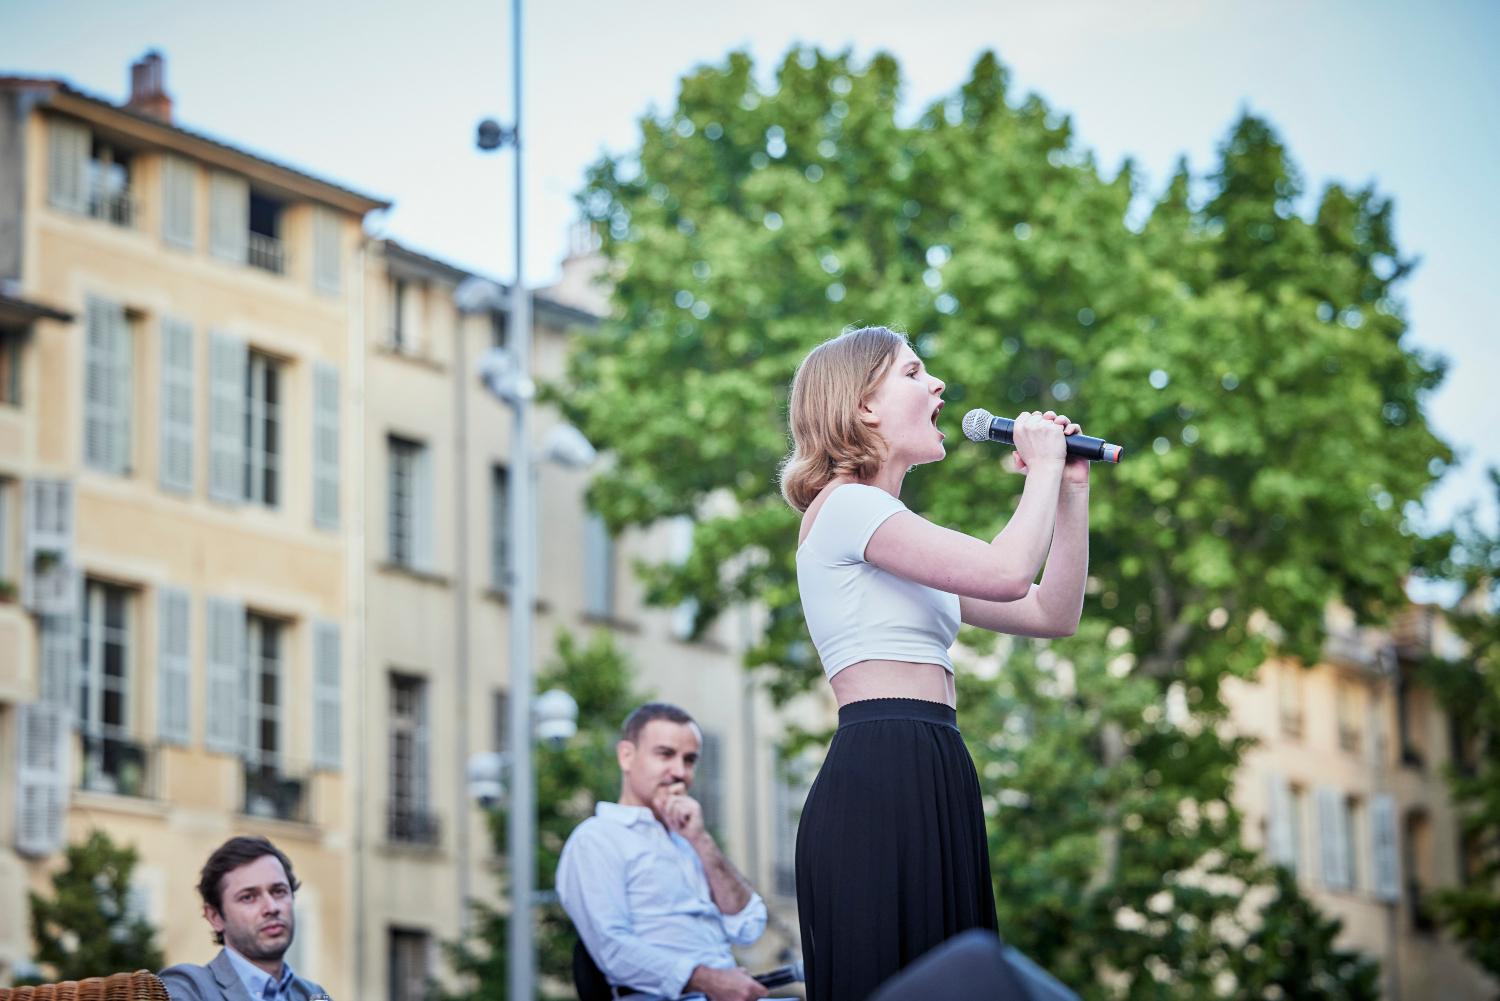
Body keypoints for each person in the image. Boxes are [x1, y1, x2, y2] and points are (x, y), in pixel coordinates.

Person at [783, 326, 1090, 1001]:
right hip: (884, 765)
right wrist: (1038, 468)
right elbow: (1009, 571)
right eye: (914, 372)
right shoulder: (847, 506)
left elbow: (1052, 613)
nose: (938, 384)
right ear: (864, 405)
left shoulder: (895, 533)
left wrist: (1068, 491)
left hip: (934, 762)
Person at [557, 702, 771, 1001]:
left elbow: (749, 927)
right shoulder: (596, 839)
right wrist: (709, 981)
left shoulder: (690, 840)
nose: (680, 772)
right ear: (626, 756)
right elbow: (612, 948)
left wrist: (700, 839)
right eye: (665, 755)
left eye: (689, 760)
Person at [160, 836, 327, 1001]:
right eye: (248, 897)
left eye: (279, 891)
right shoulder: (187, 987)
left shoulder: (314, 994)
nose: (272, 908)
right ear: (215, 917)